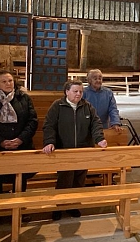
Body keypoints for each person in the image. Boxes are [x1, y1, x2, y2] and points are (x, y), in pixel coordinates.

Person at [0, 70, 38, 228]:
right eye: (4, 81)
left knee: (20, 179)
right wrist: (1, 142)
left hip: (20, 146)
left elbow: (32, 121)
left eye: (10, 81)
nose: (8, 84)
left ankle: (21, 208)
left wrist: (20, 139)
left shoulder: (23, 98)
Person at [43, 80, 107, 221]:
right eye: (75, 91)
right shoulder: (57, 106)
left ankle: (73, 205)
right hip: (64, 150)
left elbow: (95, 124)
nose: (78, 94)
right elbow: (49, 126)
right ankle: (59, 207)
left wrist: (99, 139)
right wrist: (49, 142)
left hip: (83, 150)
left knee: (79, 179)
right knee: (65, 180)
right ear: (67, 92)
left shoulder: (87, 106)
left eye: (80, 91)